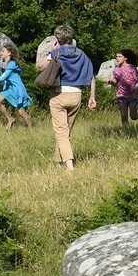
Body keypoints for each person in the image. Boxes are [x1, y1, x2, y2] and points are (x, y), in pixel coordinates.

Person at [45, 25, 97, 170]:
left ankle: (69, 166)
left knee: (61, 132)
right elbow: (91, 76)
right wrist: (92, 97)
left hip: (59, 94)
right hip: (76, 95)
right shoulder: (81, 53)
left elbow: (40, 67)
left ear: (58, 38)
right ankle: (58, 162)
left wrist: (50, 52)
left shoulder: (57, 52)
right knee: (65, 132)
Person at [111, 49, 138, 126]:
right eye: (116, 57)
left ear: (125, 58)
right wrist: (112, 81)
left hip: (133, 95)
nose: (117, 58)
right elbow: (116, 80)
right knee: (123, 116)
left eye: (120, 56)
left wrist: (136, 92)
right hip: (121, 95)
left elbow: (137, 81)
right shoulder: (117, 69)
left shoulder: (132, 68)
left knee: (133, 116)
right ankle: (126, 133)